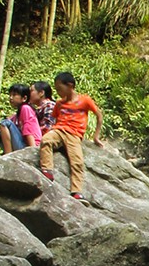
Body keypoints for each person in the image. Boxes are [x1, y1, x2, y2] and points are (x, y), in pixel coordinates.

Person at [37, 70, 103, 199]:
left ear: (70, 85)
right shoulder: (59, 103)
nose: (58, 92)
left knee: (77, 161)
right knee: (46, 140)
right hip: (59, 130)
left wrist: (96, 136)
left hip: (74, 135)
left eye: (60, 88)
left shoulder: (85, 100)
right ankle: (47, 170)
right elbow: (54, 119)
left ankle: (76, 191)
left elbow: (99, 116)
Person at [0, 84, 42, 165]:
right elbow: (7, 124)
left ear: (24, 98)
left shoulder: (26, 108)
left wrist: (32, 150)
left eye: (14, 95)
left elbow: (29, 131)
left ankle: (8, 156)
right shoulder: (17, 114)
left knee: (4, 123)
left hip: (30, 146)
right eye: (10, 95)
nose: (11, 98)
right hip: (23, 145)